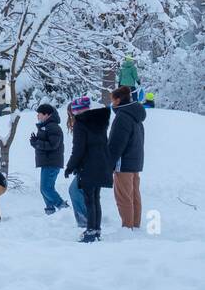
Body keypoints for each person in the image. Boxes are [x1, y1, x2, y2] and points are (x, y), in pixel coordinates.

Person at [63, 96, 112, 243]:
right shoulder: (99, 122)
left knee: (89, 200)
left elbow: (78, 149)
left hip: (88, 166)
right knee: (96, 199)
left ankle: (90, 231)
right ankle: (96, 229)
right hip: (102, 164)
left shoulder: (81, 124)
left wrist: (70, 167)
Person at [108, 85, 147, 230]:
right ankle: (135, 225)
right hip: (135, 161)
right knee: (134, 195)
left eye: (112, 99)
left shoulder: (122, 117)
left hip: (123, 163)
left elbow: (116, 144)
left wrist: (109, 163)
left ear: (118, 100)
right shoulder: (136, 116)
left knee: (123, 197)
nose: (111, 103)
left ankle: (127, 227)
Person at [29, 103, 68, 215]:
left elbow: (53, 145)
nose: (38, 116)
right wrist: (36, 141)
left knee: (46, 188)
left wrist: (37, 142)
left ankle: (63, 206)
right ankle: (50, 209)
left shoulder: (53, 127)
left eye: (39, 114)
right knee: (44, 188)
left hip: (52, 162)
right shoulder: (46, 126)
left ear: (47, 114)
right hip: (47, 162)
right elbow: (45, 142)